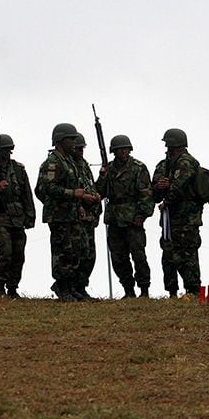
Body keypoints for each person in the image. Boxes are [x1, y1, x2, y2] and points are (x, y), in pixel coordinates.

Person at [152, 128, 209, 299]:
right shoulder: (164, 164)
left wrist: (167, 199)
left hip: (187, 218)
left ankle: (193, 290)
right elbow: (155, 190)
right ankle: (172, 291)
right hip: (170, 218)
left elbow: (178, 187)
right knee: (168, 254)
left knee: (187, 255)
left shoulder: (187, 162)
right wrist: (159, 187)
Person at [35, 123, 100, 302]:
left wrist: (78, 204)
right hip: (58, 215)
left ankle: (73, 287)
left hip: (71, 213)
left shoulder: (69, 161)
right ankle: (63, 288)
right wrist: (72, 194)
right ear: (60, 140)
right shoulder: (53, 162)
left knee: (76, 251)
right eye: (70, 139)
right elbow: (46, 188)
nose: (73, 142)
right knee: (62, 251)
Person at [0, 133, 36, 299]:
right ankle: (0, 287)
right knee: (6, 252)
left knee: (19, 254)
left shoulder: (18, 170)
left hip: (17, 219)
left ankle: (13, 288)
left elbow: (26, 195)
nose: (6, 153)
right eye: (3, 150)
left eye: (8, 150)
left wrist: (30, 217)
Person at [96, 134, 154, 298]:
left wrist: (142, 215)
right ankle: (128, 290)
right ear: (114, 151)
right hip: (114, 218)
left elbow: (146, 194)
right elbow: (99, 192)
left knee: (138, 255)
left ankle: (144, 289)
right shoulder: (109, 168)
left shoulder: (138, 167)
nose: (123, 152)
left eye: (125, 149)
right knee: (118, 257)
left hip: (132, 218)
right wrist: (102, 177)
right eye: (120, 149)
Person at [73, 133, 103, 299]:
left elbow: (90, 187)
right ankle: (71, 288)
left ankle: (81, 287)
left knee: (89, 256)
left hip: (88, 218)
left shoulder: (83, 165)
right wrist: (81, 200)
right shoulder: (67, 165)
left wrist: (96, 195)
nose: (80, 151)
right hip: (76, 217)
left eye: (82, 148)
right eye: (78, 148)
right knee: (76, 255)